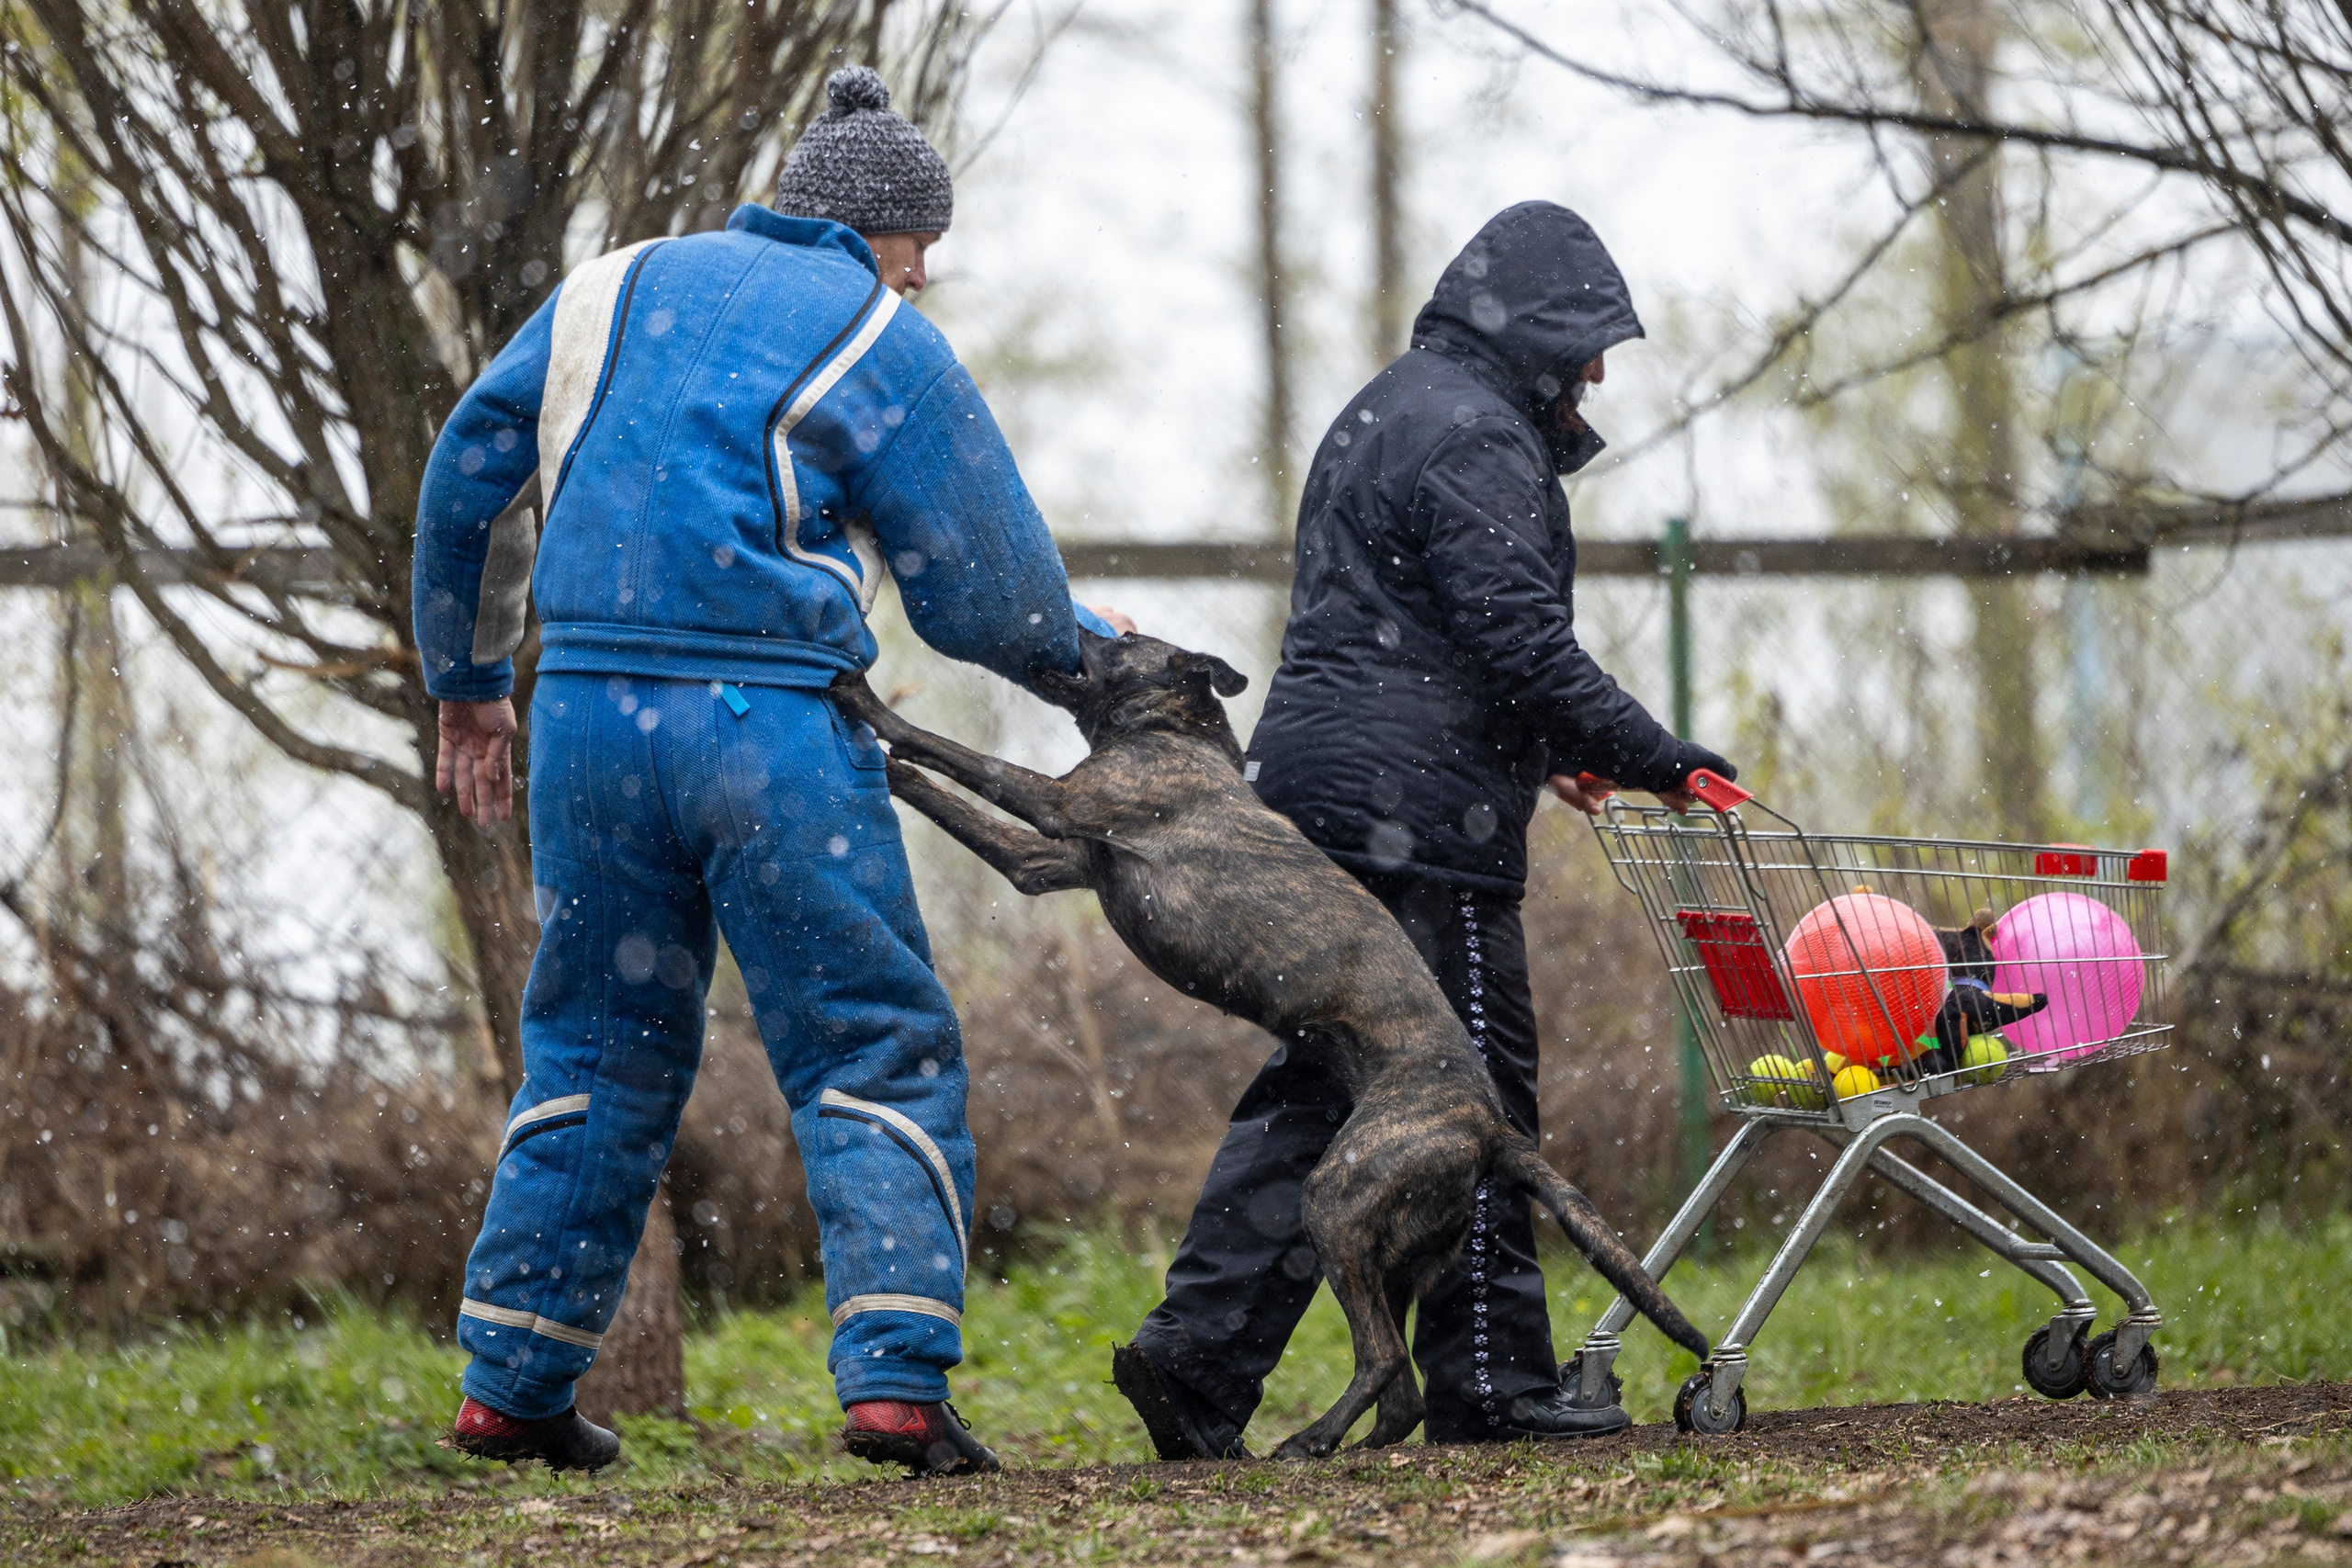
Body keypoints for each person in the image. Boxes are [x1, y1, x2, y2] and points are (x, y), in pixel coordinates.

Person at [413, 65, 1124, 1478]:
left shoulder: (611, 289)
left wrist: (468, 684)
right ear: (871, 232)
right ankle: (895, 1384)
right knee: (869, 1040)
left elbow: (460, 473)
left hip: (589, 726)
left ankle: (512, 1381)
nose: (926, 269)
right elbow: (992, 597)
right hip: (769, 738)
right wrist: (1109, 663)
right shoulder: (879, 335)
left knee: (595, 1044)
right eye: (921, 240)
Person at [1114, 202, 1737, 1454]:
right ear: (1543, 333)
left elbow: (1426, 627)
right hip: (1419, 819)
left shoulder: (1392, 406)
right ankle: (1491, 1382)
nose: (1602, 373)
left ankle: (1196, 1357)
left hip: (1329, 787)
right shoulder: (1477, 434)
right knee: (1471, 1098)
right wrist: (1655, 755)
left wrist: (1552, 748)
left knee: (1331, 1081)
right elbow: (1516, 636)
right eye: (1591, 343)